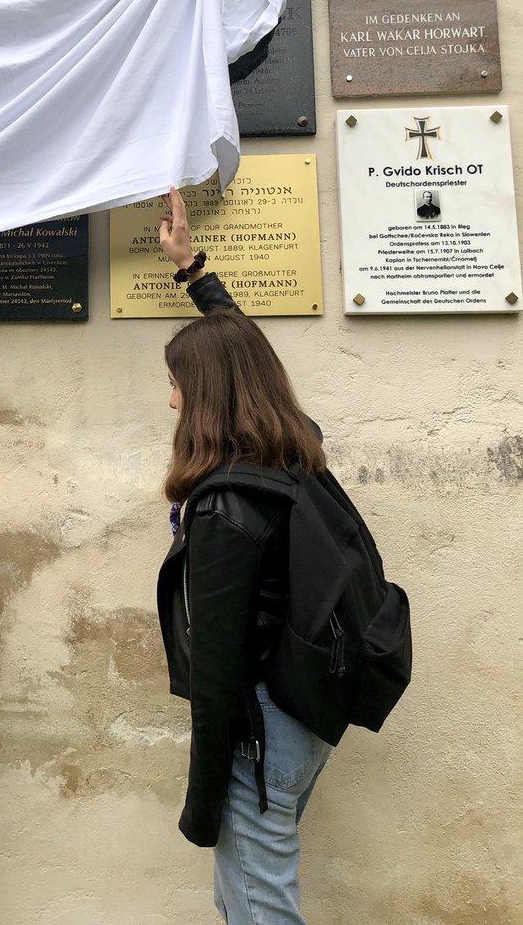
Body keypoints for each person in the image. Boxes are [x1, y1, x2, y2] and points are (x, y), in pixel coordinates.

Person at [155, 188, 333, 925]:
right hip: (302, 717)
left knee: (260, 909)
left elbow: (220, 668)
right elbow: (246, 355)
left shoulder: (228, 507)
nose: (169, 402)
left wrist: (204, 798)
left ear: (200, 398)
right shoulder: (293, 449)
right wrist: (194, 272)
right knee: (245, 901)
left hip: (257, 730)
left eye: (173, 386)